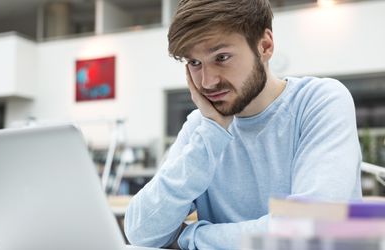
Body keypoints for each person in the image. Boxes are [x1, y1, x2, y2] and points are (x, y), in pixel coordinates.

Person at [124, 0, 362, 249]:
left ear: (265, 46)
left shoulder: (318, 101)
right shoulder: (203, 126)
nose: (207, 82)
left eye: (222, 57)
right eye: (194, 63)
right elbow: (141, 232)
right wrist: (211, 135)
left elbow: (312, 227)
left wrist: (191, 238)